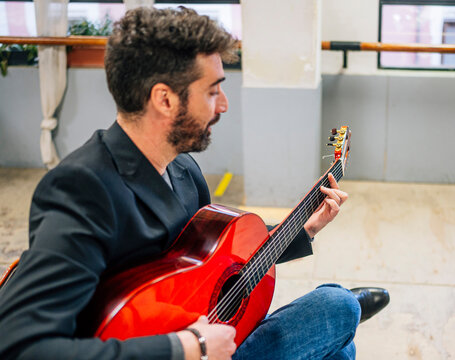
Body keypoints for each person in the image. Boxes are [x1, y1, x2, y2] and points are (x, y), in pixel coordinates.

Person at [0, 7, 389, 360]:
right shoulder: (82, 190)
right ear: (165, 100)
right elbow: (23, 346)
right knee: (336, 309)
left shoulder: (182, 169)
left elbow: (209, 264)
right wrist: (190, 345)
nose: (223, 105)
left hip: (196, 330)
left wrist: (301, 230)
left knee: (338, 344)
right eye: (213, 90)